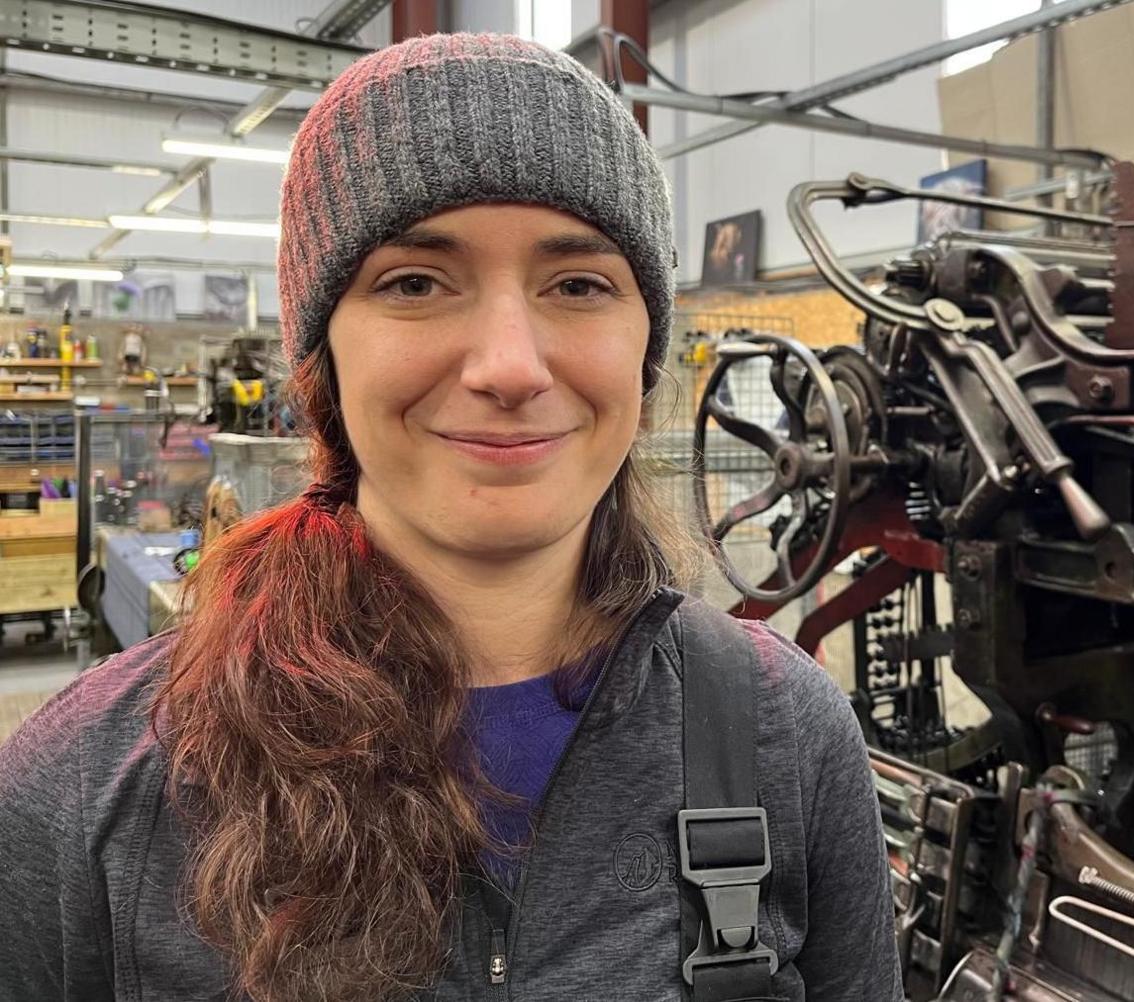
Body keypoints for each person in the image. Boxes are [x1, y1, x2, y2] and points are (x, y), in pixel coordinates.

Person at [0, 32, 900, 1002]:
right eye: (415, 284)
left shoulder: (785, 733)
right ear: (323, 358)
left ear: (645, 348)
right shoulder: (86, 784)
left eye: (579, 285)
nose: (509, 365)